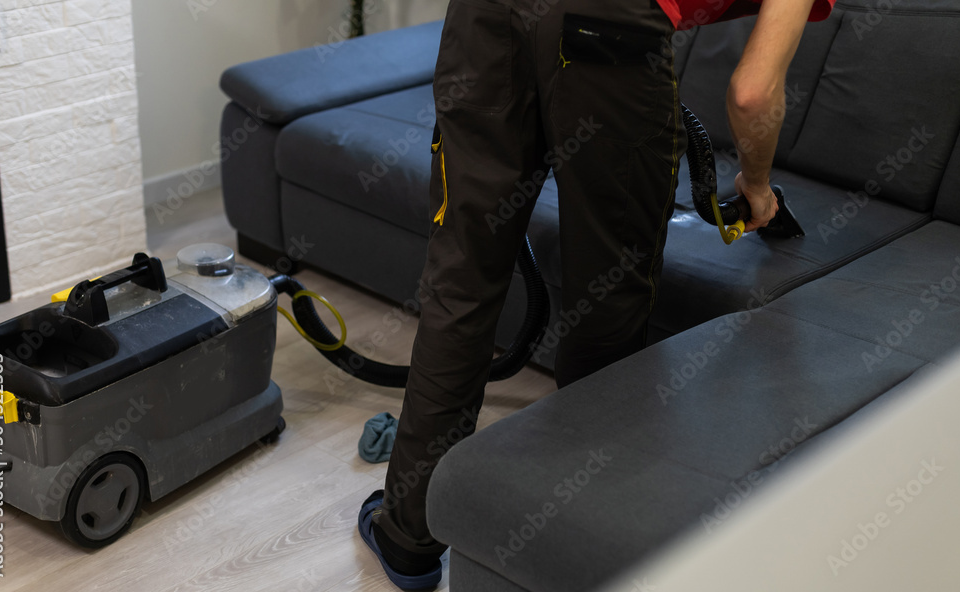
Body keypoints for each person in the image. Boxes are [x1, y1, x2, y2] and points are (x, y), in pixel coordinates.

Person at [358, 0, 836, 588]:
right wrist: (756, 185)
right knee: (608, 305)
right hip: (610, 30)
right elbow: (753, 93)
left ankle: (408, 536)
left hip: (485, 18)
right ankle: (573, 549)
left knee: (461, 287)